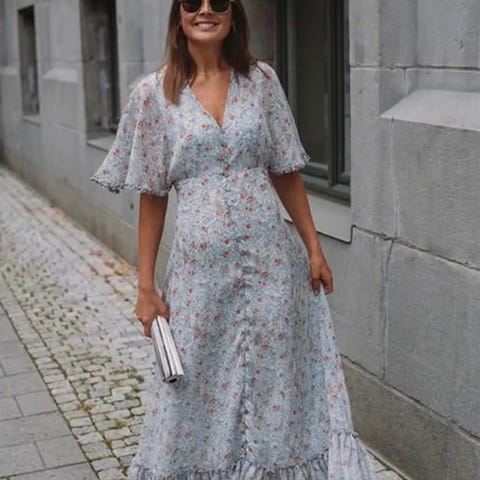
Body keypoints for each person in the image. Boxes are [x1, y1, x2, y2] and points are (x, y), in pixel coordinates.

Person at [90, 0, 376, 478]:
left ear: (233, 15)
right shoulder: (153, 95)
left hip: (272, 267)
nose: (206, 10)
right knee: (194, 386)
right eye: (193, 2)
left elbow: (285, 170)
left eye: (219, 2)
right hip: (199, 277)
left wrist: (314, 247)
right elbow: (153, 195)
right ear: (178, 15)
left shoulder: (261, 81)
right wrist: (145, 286)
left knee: (275, 380)